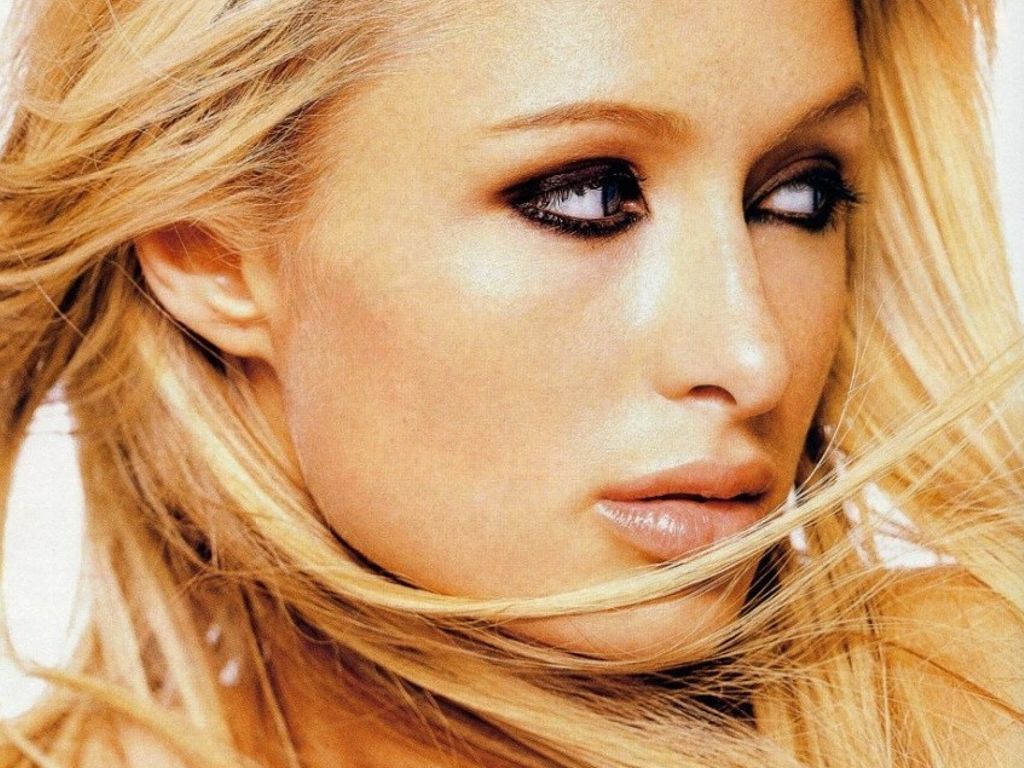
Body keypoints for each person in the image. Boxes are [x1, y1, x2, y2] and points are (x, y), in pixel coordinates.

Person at [1, 0, 1021, 765]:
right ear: (212, 255)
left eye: (798, 198)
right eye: (587, 198)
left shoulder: (966, 706)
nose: (752, 359)